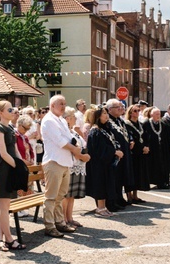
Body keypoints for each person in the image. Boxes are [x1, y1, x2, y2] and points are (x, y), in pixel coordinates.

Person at [40, 95, 87, 237]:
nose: (63, 106)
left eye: (65, 104)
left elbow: (69, 137)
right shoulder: (48, 120)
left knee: (60, 196)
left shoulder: (60, 119)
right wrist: (75, 150)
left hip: (65, 162)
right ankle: (49, 226)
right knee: (51, 196)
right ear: (52, 105)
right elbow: (60, 141)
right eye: (61, 104)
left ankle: (59, 222)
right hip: (54, 162)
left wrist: (77, 148)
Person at [0, 101, 26, 250]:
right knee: (4, 206)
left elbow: (15, 150)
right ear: (1, 112)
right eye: (10, 109)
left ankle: (0, 239)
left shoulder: (10, 127)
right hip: (5, 169)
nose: (13, 111)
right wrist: (17, 166)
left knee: (4, 206)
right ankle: (10, 239)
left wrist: (20, 164)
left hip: (11, 166)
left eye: (13, 109)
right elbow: (3, 153)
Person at [86, 106, 121, 217]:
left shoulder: (105, 129)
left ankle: (104, 207)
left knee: (106, 184)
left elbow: (112, 142)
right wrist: (114, 152)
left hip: (106, 163)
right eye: (104, 113)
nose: (106, 115)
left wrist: (117, 149)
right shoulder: (95, 130)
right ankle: (100, 208)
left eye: (106, 113)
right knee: (100, 184)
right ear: (98, 116)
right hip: (98, 163)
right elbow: (100, 149)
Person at [62, 107, 89, 228]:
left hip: (78, 165)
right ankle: (63, 220)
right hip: (71, 165)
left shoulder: (72, 131)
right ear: (67, 119)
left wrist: (85, 156)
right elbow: (70, 148)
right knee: (66, 195)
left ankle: (70, 218)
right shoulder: (64, 132)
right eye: (74, 117)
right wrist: (82, 156)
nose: (76, 119)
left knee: (71, 195)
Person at [105, 99, 133, 210]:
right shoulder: (108, 121)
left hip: (124, 151)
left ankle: (120, 197)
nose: (121, 109)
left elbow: (127, 132)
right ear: (110, 109)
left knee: (122, 176)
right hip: (115, 153)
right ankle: (113, 199)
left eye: (121, 107)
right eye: (118, 107)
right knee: (115, 177)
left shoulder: (120, 120)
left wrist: (131, 140)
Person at [125, 103, 150, 201]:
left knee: (138, 174)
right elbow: (129, 138)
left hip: (141, 153)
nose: (137, 112)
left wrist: (146, 146)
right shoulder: (127, 124)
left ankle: (135, 195)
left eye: (138, 110)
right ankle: (129, 196)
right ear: (130, 112)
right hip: (133, 153)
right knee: (131, 174)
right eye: (135, 111)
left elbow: (146, 137)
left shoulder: (141, 125)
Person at [142, 107, 170, 188]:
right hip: (151, 148)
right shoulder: (146, 124)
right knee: (151, 165)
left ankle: (161, 182)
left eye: (159, 114)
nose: (158, 116)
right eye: (156, 114)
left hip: (161, 148)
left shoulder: (163, 124)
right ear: (151, 115)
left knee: (161, 165)